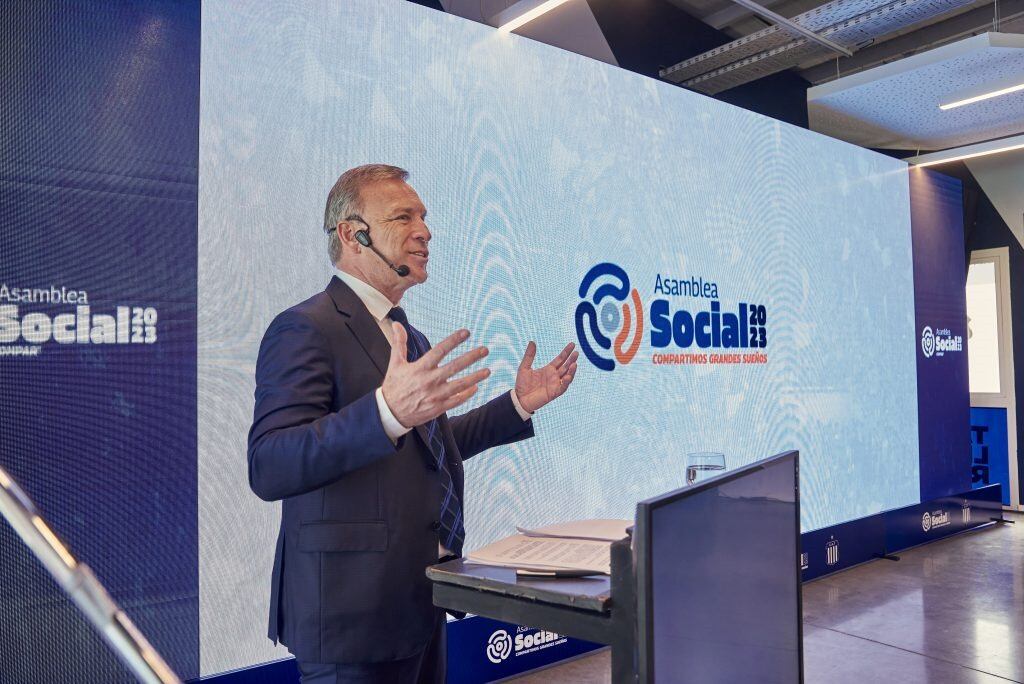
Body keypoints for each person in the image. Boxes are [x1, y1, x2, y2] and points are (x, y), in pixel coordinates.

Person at [247, 164, 578, 683]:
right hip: (350, 621)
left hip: (419, 603)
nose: (424, 230)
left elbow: (431, 453)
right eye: (403, 217)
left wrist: (517, 404)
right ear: (353, 235)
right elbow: (270, 464)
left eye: (423, 216)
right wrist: (385, 413)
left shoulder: (408, 336)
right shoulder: (305, 328)